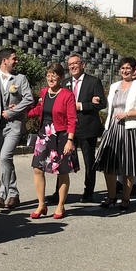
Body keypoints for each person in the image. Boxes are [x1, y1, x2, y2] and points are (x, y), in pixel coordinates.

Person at [0, 48, 34, 210]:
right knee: (6, 160)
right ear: (4, 61)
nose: (16, 61)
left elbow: (29, 99)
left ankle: (1, 194)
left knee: (4, 157)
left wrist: (12, 111)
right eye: (14, 59)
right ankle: (14, 194)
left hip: (14, 125)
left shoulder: (21, 79)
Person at [95, 57, 136, 210]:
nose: (125, 71)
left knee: (129, 165)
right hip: (113, 128)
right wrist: (98, 102)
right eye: (123, 68)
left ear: (134, 70)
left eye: (128, 68)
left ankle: (126, 198)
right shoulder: (114, 85)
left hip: (129, 129)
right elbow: (109, 109)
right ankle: (111, 196)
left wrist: (127, 114)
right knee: (108, 164)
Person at [27, 63, 79, 219]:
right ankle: (41, 204)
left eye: (54, 75)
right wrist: (21, 111)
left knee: (62, 171)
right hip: (44, 135)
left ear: (61, 78)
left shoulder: (67, 95)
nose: (50, 78)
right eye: (48, 75)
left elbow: (72, 119)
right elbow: (38, 110)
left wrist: (70, 140)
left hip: (61, 136)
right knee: (37, 168)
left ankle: (60, 205)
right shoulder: (44, 92)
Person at [53, 54, 106, 203]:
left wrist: (82, 105)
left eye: (75, 64)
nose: (73, 67)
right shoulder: (65, 83)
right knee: (62, 161)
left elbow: (102, 104)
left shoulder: (94, 82)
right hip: (68, 128)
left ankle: (88, 191)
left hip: (87, 127)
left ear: (83, 65)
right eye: (70, 65)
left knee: (89, 161)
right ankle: (58, 193)